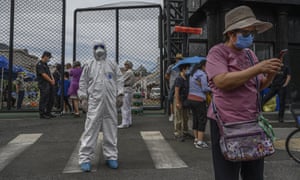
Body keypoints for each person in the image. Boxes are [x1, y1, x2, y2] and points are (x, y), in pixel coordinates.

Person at [206, 6, 282, 180]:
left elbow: (259, 85)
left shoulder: (249, 55)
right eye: (246, 33)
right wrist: (257, 68)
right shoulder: (217, 52)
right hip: (226, 122)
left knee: (254, 174)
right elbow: (221, 81)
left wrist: (270, 72)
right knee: (227, 174)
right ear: (231, 34)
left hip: (251, 121)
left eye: (252, 33)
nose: (250, 37)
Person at [77, 39, 124, 172]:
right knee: (91, 128)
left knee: (111, 128)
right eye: (96, 47)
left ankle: (111, 156)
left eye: (101, 46)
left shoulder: (112, 64)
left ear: (105, 48)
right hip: (94, 102)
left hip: (110, 102)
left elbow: (119, 79)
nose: (99, 49)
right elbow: (83, 83)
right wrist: (83, 98)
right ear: (93, 49)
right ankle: (85, 158)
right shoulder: (89, 65)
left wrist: (120, 94)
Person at [188, 61, 210, 149]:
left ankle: (196, 139)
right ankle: (200, 142)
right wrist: (213, 87)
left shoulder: (192, 74)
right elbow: (205, 89)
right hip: (199, 99)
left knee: (195, 118)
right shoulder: (202, 75)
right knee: (202, 119)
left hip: (191, 98)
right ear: (204, 66)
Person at [36, 51, 56, 119]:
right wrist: (51, 80)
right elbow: (43, 74)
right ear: (45, 56)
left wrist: (52, 80)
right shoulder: (39, 64)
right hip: (44, 84)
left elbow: (49, 73)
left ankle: (48, 112)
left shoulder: (45, 64)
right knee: (44, 98)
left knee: (51, 98)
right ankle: (42, 114)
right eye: (49, 57)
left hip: (49, 83)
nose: (49, 59)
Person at [174, 63, 190, 141]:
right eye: (187, 68)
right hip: (179, 99)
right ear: (183, 69)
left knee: (185, 117)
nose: (188, 70)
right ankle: (178, 133)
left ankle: (185, 131)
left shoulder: (186, 77)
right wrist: (177, 102)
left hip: (185, 100)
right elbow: (176, 91)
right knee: (179, 117)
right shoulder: (179, 78)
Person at [165, 53, 183, 121]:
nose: (179, 60)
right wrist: (171, 80)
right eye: (178, 59)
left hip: (181, 84)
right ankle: (172, 114)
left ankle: (178, 114)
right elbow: (166, 75)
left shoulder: (182, 67)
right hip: (173, 85)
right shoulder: (171, 66)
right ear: (176, 59)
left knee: (180, 99)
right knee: (171, 100)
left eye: (180, 59)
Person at [118, 60, 135, 129]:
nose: (124, 66)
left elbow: (121, 80)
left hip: (126, 90)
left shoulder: (128, 72)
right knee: (128, 107)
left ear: (128, 66)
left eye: (125, 65)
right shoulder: (131, 72)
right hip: (129, 90)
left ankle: (124, 123)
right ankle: (128, 121)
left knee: (124, 107)